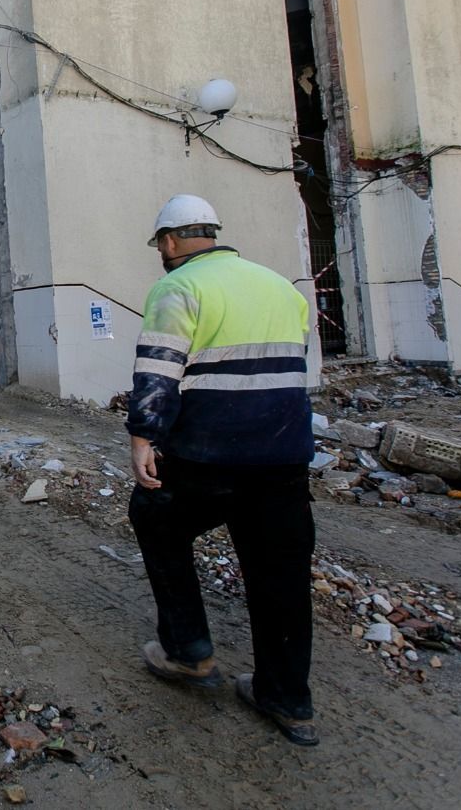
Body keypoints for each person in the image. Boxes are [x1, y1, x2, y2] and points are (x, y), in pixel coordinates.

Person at [125, 194, 320, 746]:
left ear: (168, 242)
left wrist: (144, 439)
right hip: (283, 459)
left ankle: (188, 651)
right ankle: (287, 699)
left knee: (155, 515)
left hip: (208, 457)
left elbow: (158, 374)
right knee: (280, 576)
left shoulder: (177, 288)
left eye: (160, 245)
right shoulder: (281, 287)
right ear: (213, 233)